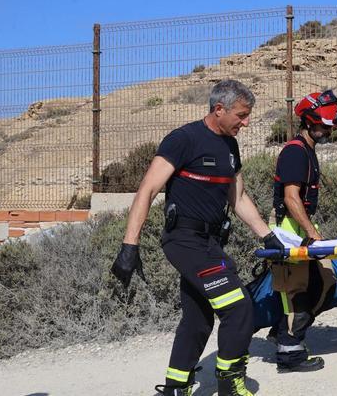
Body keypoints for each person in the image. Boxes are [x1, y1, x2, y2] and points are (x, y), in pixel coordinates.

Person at [110, 79, 286, 396]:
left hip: (211, 243)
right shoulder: (183, 139)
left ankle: (177, 386)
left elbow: (239, 197)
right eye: (241, 115)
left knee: (198, 317)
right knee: (238, 306)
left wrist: (268, 236)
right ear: (219, 109)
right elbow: (147, 189)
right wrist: (129, 245)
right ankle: (230, 382)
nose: (245, 123)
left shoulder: (230, 146)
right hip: (184, 240)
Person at [267, 90, 337, 373]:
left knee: (325, 282)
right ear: (309, 121)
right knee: (295, 292)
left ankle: (282, 332)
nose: (327, 129)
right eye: (323, 124)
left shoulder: (307, 149)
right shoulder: (296, 152)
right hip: (291, 230)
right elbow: (291, 198)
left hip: (302, 227)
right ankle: (290, 354)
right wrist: (311, 232)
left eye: (329, 125)